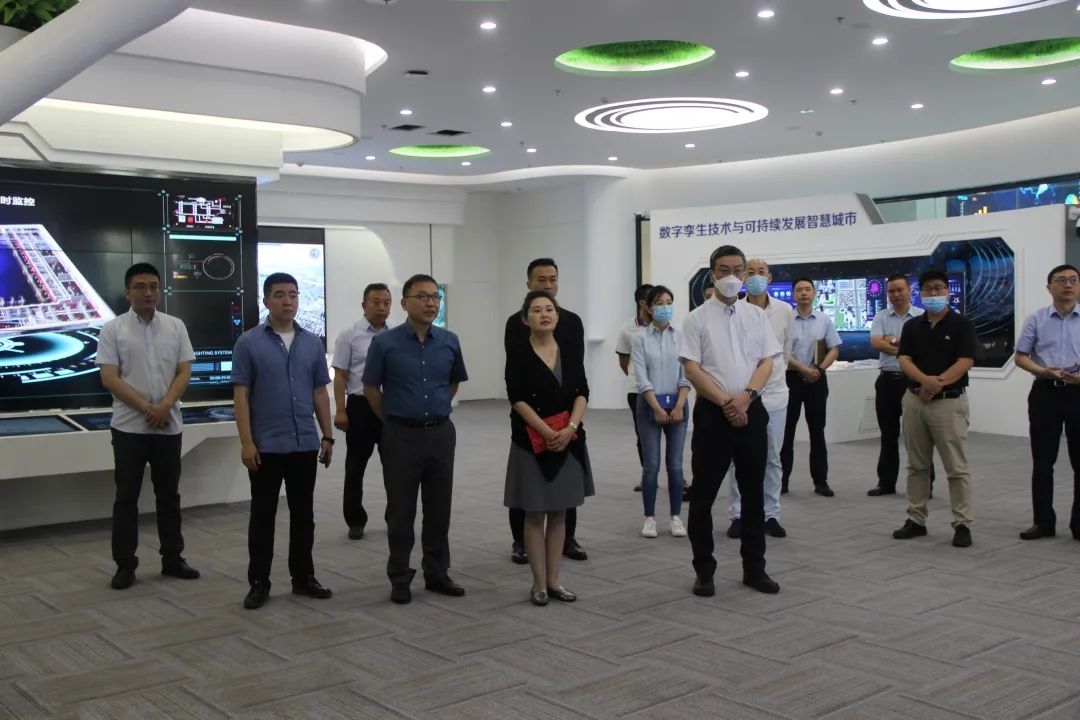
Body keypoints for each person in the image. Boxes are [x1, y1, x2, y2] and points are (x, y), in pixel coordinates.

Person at [680, 244, 782, 596]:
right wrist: (727, 402)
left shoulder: (756, 316)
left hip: (751, 409)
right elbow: (692, 369)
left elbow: (767, 362)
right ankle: (704, 570)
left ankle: (755, 569)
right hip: (714, 413)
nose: (732, 276)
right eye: (724, 270)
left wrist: (746, 398)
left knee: (754, 495)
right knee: (704, 495)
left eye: (738, 270)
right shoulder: (695, 319)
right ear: (712, 274)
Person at [233, 272, 335, 610]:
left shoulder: (312, 343)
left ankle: (303, 577)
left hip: (304, 443)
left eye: (293, 294)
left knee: (303, 515)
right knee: (262, 516)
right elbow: (241, 395)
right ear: (266, 301)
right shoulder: (249, 342)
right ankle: (259, 582)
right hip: (266, 446)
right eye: (279, 294)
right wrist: (246, 442)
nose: (287, 301)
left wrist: (327, 435)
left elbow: (319, 392)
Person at [364, 273, 468, 604]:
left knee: (439, 508)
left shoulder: (450, 341)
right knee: (401, 510)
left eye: (435, 297)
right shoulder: (385, 343)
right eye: (422, 297)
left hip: (440, 434)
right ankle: (399, 575)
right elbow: (371, 388)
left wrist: (435, 409)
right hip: (400, 436)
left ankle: (437, 572)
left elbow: (453, 383)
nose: (430, 303)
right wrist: (392, 419)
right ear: (405, 302)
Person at [96, 262, 200, 590]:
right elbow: (109, 378)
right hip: (129, 429)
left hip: (168, 426)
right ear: (127, 291)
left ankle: (173, 558)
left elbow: (184, 371)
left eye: (153, 286)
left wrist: (165, 405)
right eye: (141, 286)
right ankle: (125, 564)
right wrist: (148, 408)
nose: (148, 292)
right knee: (126, 498)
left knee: (168, 496)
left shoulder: (175, 326)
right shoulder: (112, 329)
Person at [504, 290, 594, 605]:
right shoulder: (518, 352)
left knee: (559, 513)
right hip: (531, 442)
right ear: (525, 318)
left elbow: (582, 391)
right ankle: (538, 583)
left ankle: (555, 581)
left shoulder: (568, 348)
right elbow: (516, 398)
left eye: (549, 309)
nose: (544, 314)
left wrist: (569, 429)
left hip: (568, 440)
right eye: (537, 310)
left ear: (557, 316)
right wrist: (546, 431)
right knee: (534, 514)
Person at [892, 269, 977, 548]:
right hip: (915, 401)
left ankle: (962, 523)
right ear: (920, 293)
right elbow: (904, 359)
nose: (933, 293)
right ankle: (916, 519)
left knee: (956, 467)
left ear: (948, 291)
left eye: (939, 288)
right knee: (917, 465)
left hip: (948, 403)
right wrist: (924, 381)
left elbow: (966, 360)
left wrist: (935, 384)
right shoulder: (912, 326)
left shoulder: (961, 324)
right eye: (928, 289)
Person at [727, 259, 794, 540]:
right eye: (750, 272)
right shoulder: (735, 310)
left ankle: (771, 514)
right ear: (743, 278)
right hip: (745, 393)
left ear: (770, 277)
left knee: (773, 457)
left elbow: (786, 352)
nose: (756, 277)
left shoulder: (784, 310)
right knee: (739, 457)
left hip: (775, 392)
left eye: (761, 272)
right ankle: (738, 514)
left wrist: (772, 376)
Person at [1014, 264, 1080, 540]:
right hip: (1045, 392)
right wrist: (1042, 370)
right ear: (1049, 287)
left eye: (1073, 280)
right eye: (1061, 280)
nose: (1068, 285)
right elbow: (1020, 356)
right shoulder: (1036, 319)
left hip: (1078, 393)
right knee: (1042, 461)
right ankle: (1043, 522)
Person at [332, 283, 392, 540]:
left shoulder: (396, 334)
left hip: (390, 406)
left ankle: (395, 517)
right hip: (360, 407)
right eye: (376, 302)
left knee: (395, 466)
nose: (381, 307)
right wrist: (340, 410)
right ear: (364, 305)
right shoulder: (349, 335)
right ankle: (355, 520)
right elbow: (340, 375)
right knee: (355, 466)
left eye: (386, 303)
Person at [631, 285, 690, 538]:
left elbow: (686, 374)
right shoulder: (640, 338)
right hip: (649, 405)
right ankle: (649, 518)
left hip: (678, 404)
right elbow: (641, 376)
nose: (665, 307)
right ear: (648, 307)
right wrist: (655, 406)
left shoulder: (682, 336)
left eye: (668, 302)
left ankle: (676, 517)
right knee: (651, 466)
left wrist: (678, 406)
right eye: (659, 303)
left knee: (675, 466)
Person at [868, 274, 934, 497]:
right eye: (891, 291)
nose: (896, 295)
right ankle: (886, 483)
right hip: (887, 381)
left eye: (900, 290)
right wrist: (906, 349)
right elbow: (876, 343)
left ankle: (926, 485)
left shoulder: (922, 316)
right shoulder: (881, 316)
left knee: (919, 437)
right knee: (888, 435)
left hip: (913, 382)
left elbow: (925, 348)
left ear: (909, 291)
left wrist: (892, 340)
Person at [780, 277, 841, 497]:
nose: (804, 293)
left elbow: (834, 348)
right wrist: (804, 370)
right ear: (793, 294)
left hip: (817, 380)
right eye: (799, 290)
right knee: (786, 433)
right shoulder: (786, 320)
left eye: (807, 289)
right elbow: (781, 352)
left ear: (814, 293)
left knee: (817, 432)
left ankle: (821, 481)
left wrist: (819, 370)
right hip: (791, 380)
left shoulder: (824, 319)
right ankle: (781, 481)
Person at [616, 283, 653, 493]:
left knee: (670, 433)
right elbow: (624, 361)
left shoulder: (664, 326)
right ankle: (647, 474)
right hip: (637, 390)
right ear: (642, 303)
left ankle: (677, 475)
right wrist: (635, 377)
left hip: (663, 389)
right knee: (643, 434)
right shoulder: (627, 329)